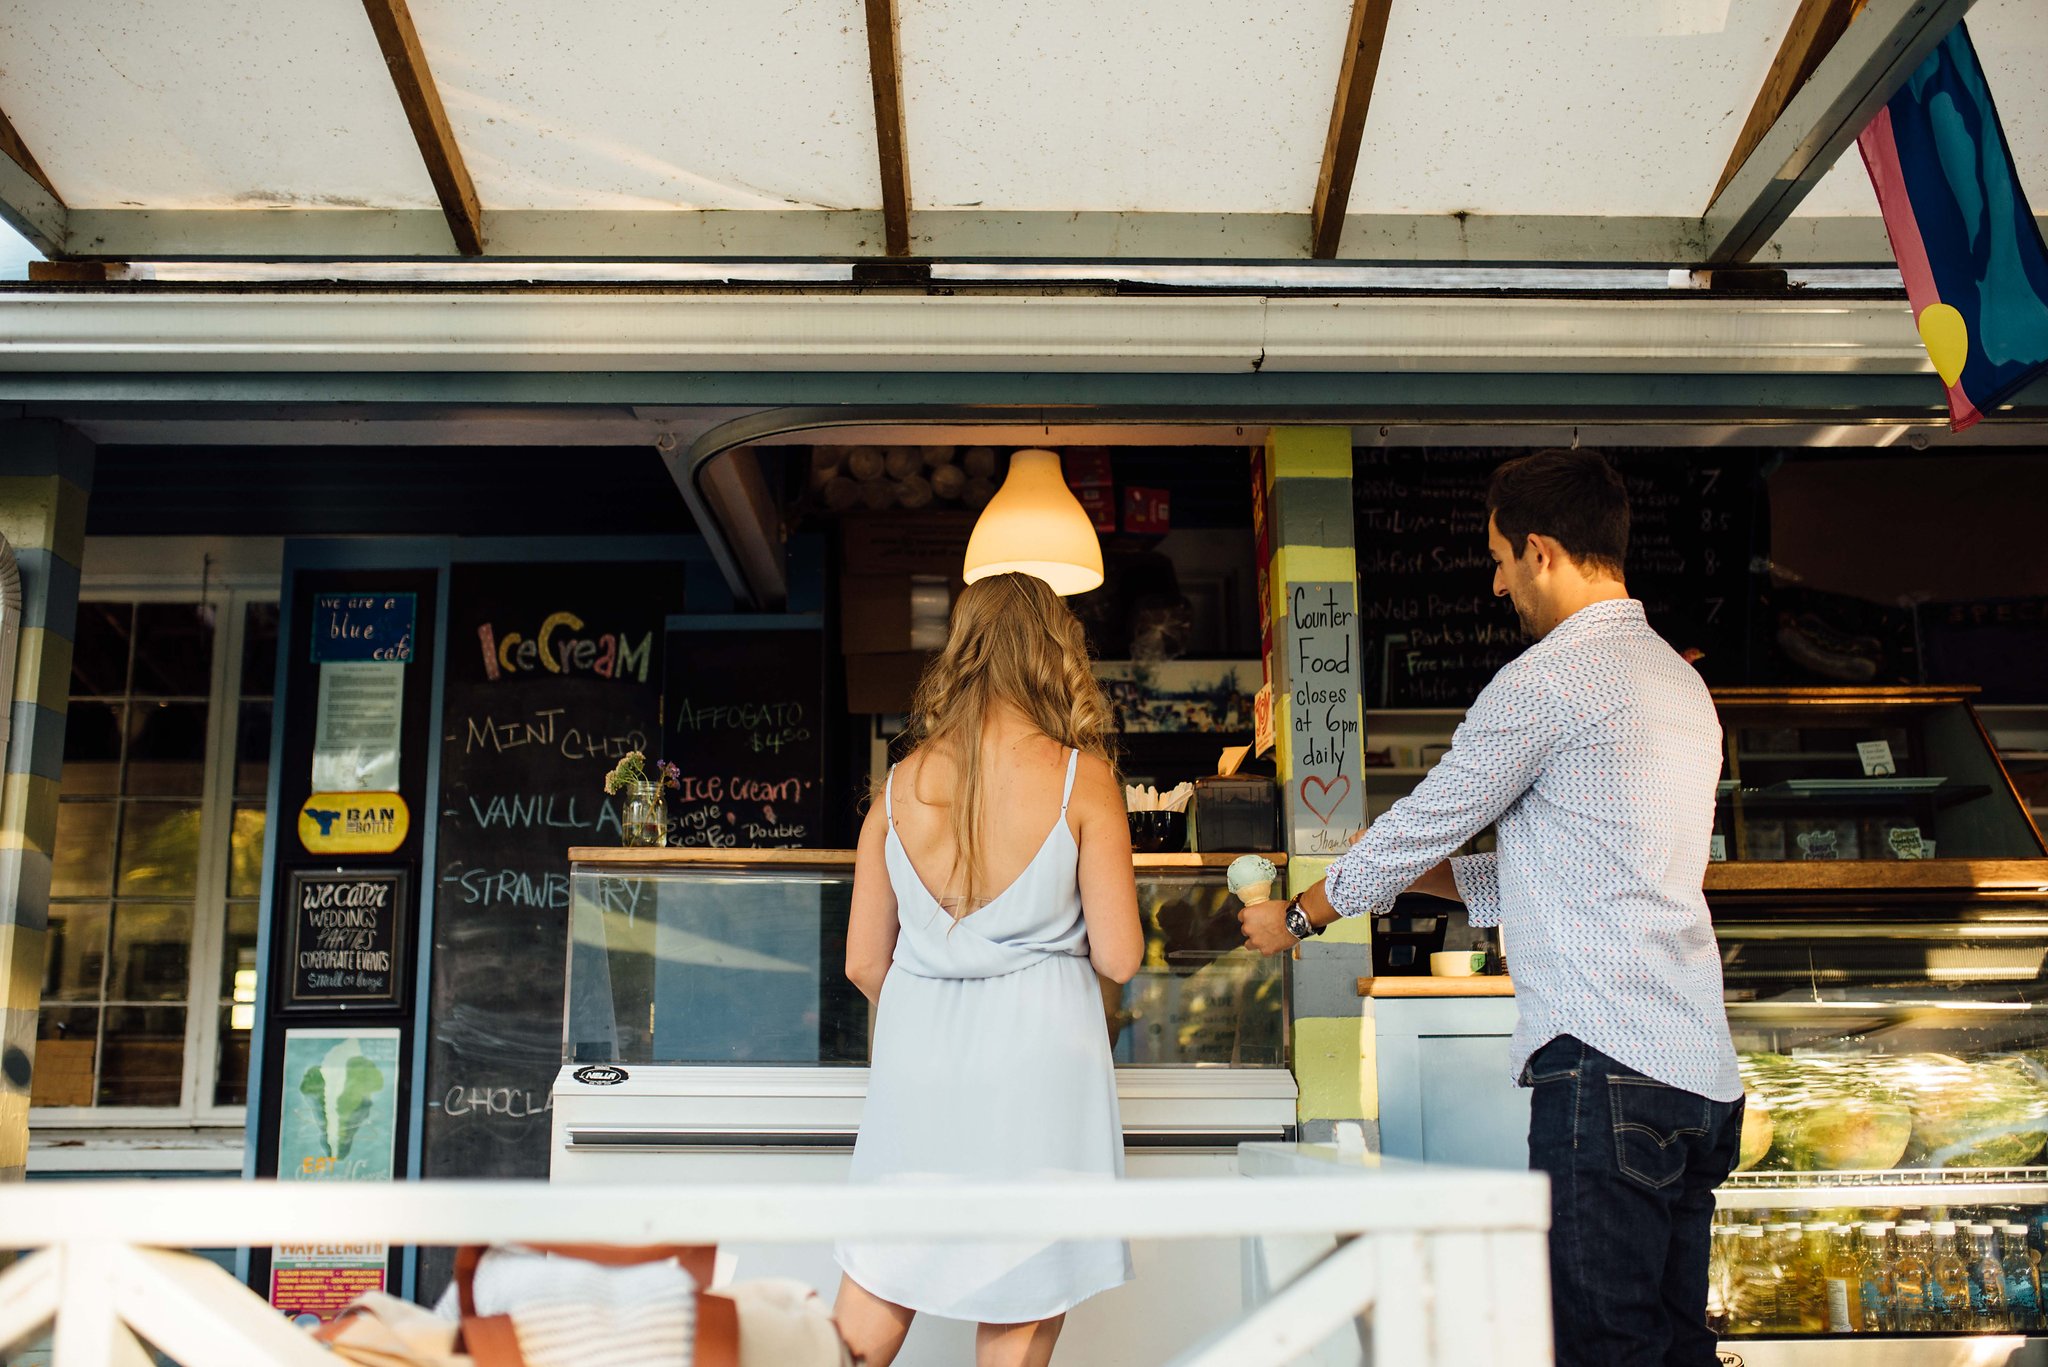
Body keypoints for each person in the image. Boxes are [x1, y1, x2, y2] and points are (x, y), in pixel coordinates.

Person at [1240, 448, 1743, 1367]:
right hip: (1698, 1079)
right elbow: (1544, 874)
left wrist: (1303, 915)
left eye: (1502, 558)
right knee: (1673, 1349)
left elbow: (1430, 815)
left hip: (1606, 1067)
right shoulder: (1682, 685)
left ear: (1542, 551)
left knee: (1603, 1347)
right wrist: (1397, 871)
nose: (1498, 580)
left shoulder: (1549, 680)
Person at [835, 572, 1144, 1367]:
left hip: (919, 1060)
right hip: (1039, 1068)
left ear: (961, 650)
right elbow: (1119, 953)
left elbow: (865, 959)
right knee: (1019, 1294)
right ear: (1055, 653)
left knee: (874, 1294)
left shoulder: (899, 784)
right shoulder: (1082, 778)